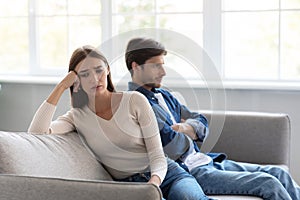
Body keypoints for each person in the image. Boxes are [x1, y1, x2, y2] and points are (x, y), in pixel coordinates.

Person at [28, 45, 212, 200]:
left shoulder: (134, 100)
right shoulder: (77, 116)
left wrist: (152, 185)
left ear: (107, 69)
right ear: (76, 79)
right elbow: (37, 133)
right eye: (85, 74)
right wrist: (60, 87)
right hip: (128, 186)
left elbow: (157, 155)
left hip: (168, 174)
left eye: (99, 70)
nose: (94, 79)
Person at [125, 37, 300, 200]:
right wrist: (191, 132)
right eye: (156, 66)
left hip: (207, 160)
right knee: (268, 183)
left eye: (163, 65)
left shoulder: (165, 95)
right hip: (191, 171)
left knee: (279, 173)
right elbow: (171, 148)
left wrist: (185, 128)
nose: (163, 72)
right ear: (136, 67)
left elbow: (201, 121)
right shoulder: (136, 103)